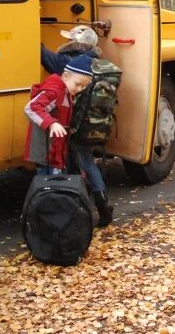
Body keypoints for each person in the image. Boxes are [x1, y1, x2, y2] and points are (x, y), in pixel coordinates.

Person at [40, 27, 114, 227]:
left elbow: (42, 54)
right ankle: (99, 201)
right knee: (86, 160)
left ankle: (95, 203)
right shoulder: (99, 63)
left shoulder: (68, 61)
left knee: (78, 161)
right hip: (94, 123)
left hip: (72, 123)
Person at [24, 55, 93, 175]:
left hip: (54, 150)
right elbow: (31, 107)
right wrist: (52, 123)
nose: (80, 89)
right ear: (65, 76)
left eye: (83, 87)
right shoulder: (55, 91)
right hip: (48, 150)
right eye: (77, 84)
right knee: (49, 184)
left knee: (52, 184)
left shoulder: (65, 92)